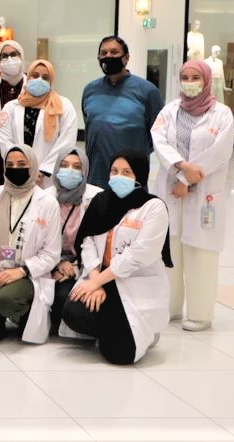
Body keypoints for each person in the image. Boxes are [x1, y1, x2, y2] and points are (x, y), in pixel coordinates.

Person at [60, 151, 172, 364]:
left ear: (139, 175)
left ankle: (139, 333)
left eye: (126, 172)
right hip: (102, 277)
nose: (118, 177)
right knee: (74, 310)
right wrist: (95, 280)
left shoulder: (153, 208)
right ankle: (112, 327)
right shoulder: (101, 201)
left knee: (121, 355)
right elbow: (87, 240)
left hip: (135, 282)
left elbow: (138, 255)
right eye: (114, 171)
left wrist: (96, 282)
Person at [151, 60, 234, 331]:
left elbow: (219, 153)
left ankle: (200, 314)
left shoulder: (222, 114)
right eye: (185, 76)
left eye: (196, 76)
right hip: (172, 189)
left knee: (201, 254)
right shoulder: (169, 110)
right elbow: (159, 139)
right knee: (170, 251)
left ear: (207, 80)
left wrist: (186, 179)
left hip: (204, 195)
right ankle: (171, 307)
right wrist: (181, 167)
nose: (190, 81)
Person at [0, 144, 60, 343]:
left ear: (33, 167)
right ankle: (4, 312)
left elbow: (52, 253)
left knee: (7, 300)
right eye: (9, 164)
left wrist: (23, 270)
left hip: (27, 275)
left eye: (21, 164)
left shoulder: (47, 202)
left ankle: (20, 312)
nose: (14, 168)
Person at [82, 36, 164, 188]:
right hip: (96, 175)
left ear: (126, 58)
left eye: (114, 52)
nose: (108, 56)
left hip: (131, 175)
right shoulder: (90, 90)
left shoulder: (147, 91)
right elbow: (90, 127)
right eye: (103, 53)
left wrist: (134, 155)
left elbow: (158, 134)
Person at [0, 60, 78, 188]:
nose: (39, 80)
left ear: (51, 81)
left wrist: (44, 170)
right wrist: (21, 166)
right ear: (28, 76)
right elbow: (5, 140)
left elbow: (67, 140)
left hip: (47, 179)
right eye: (35, 75)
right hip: (17, 174)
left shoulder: (63, 105)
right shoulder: (11, 107)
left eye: (45, 78)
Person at [49, 150, 102, 334]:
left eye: (77, 167)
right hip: (50, 263)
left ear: (85, 171)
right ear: (56, 169)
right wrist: (57, 263)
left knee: (66, 297)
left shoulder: (97, 198)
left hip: (82, 265)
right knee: (51, 296)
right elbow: (36, 241)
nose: (69, 171)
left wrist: (75, 267)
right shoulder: (44, 198)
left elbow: (96, 244)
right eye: (64, 165)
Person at [0, 39, 26, 185]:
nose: (9, 59)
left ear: (22, 57)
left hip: (23, 151)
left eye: (14, 54)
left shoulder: (32, 86)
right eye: (4, 56)